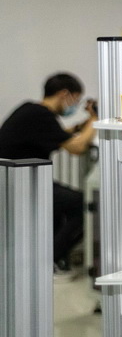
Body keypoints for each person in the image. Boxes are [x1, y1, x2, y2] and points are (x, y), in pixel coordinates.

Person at [0, 73, 98, 272]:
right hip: (21, 184)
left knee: (58, 211)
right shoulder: (41, 115)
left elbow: (61, 135)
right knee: (84, 205)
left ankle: (45, 259)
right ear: (64, 94)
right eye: (76, 100)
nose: (75, 105)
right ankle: (49, 260)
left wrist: (83, 124)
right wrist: (96, 120)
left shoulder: (32, 110)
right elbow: (77, 147)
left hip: (17, 180)